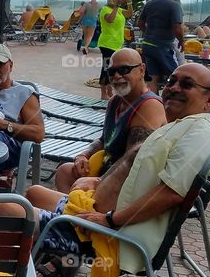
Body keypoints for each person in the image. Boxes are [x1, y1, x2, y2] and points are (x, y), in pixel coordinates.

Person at [27, 62, 210, 277]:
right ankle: (45, 264)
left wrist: (109, 220)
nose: (174, 88)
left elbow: (172, 194)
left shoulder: (197, 136)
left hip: (109, 235)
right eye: (172, 81)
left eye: (187, 84)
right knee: (34, 193)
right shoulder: (179, 126)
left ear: (209, 100)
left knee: (11, 211)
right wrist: (98, 181)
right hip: (95, 215)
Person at [54, 48, 166, 193]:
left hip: (127, 184)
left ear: (142, 70)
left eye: (124, 69)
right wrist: (83, 155)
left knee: (36, 194)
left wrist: (98, 182)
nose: (117, 76)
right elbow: (103, 140)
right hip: (108, 171)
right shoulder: (115, 101)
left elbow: (131, 163)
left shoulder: (149, 106)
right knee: (65, 172)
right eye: (111, 72)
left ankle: (79, 211)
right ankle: (76, 211)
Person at [0, 43, 44, 175]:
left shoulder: (24, 93)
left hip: (8, 146)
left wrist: (4, 125)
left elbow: (38, 134)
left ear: (11, 66)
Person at [138, 0, 184, 92]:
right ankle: (173, 104)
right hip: (163, 47)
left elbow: (140, 23)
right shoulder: (174, 6)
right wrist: (182, 41)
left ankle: (154, 105)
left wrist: (148, 33)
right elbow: (177, 29)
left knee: (153, 78)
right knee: (177, 76)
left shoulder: (150, 3)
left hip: (147, 45)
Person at [97, 0, 135, 99]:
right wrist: (116, 6)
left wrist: (129, 1)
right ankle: (103, 94)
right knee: (106, 68)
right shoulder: (105, 9)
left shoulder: (119, 10)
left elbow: (129, 13)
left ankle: (110, 92)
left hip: (117, 44)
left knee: (113, 69)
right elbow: (110, 19)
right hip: (107, 44)